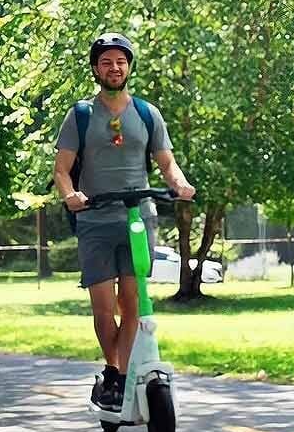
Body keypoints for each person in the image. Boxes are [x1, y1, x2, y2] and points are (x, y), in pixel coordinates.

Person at [54, 33, 195, 408]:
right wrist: (70, 196)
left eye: (120, 61)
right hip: (95, 221)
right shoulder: (81, 115)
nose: (114, 68)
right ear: (96, 69)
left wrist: (179, 185)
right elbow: (62, 170)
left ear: (129, 66)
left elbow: (166, 161)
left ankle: (122, 374)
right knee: (103, 306)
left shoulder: (147, 114)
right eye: (106, 62)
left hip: (138, 217)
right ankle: (113, 370)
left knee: (131, 302)